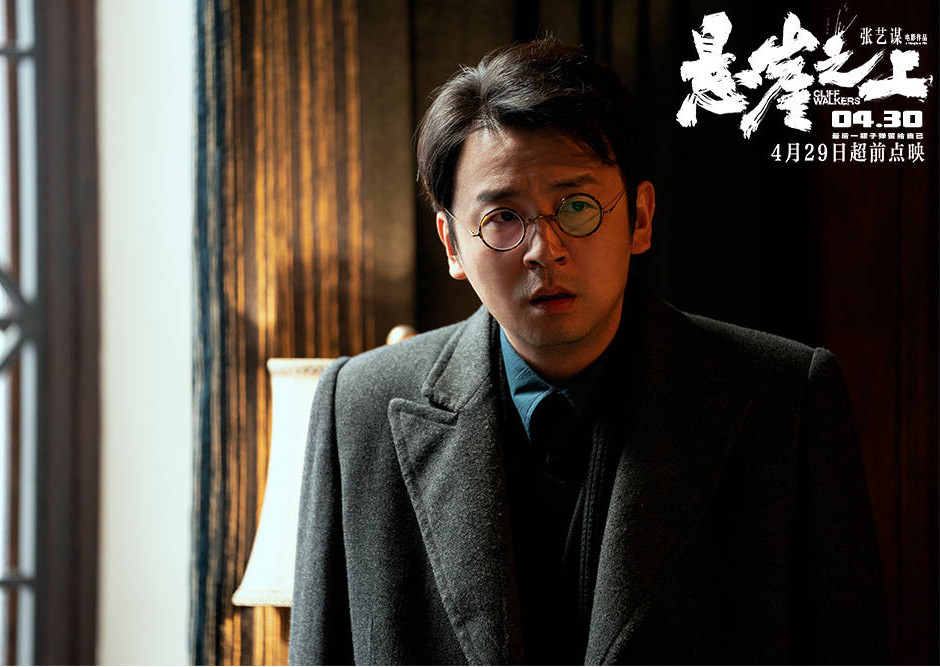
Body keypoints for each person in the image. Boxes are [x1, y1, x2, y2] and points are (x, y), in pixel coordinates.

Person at [288, 38, 886, 665]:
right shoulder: (357, 407)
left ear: (640, 218)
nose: (543, 250)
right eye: (502, 218)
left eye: (576, 206)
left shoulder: (786, 400)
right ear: (452, 246)